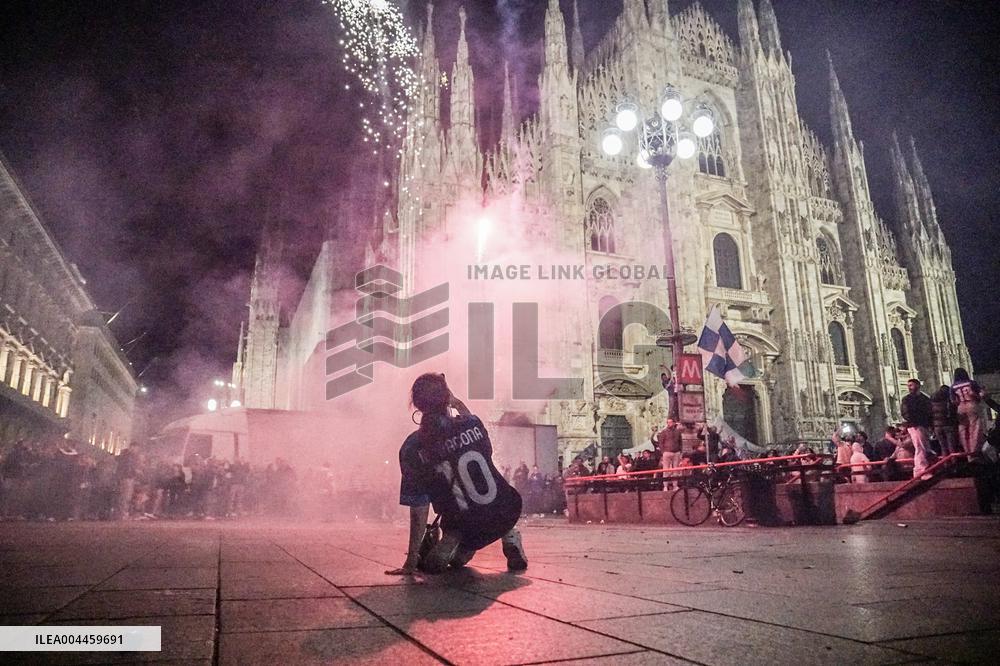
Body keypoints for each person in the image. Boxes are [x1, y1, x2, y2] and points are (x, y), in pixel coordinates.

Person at [387, 373, 527, 575]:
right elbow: (475, 432)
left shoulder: (413, 447)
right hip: (505, 510)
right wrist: (456, 402)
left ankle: (454, 543)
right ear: (447, 397)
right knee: (491, 512)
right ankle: (510, 536)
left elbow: (419, 507)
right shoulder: (472, 424)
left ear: (417, 405)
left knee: (449, 561)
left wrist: (411, 561)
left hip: (465, 524)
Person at [901, 378, 934, 477]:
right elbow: (905, 413)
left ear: (918, 385)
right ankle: (921, 470)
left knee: (925, 447)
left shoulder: (925, 399)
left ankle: (921, 469)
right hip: (914, 426)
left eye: (911, 385)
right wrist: (913, 420)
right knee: (920, 447)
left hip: (924, 425)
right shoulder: (907, 399)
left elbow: (930, 412)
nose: (909, 387)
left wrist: (930, 424)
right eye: (908, 386)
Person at [950, 368, 987, 456]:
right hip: (972, 404)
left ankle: (966, 451)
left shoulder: (953, 386)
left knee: (963, 429)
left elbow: (953, 401)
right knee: (975, 428)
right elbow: (982, 394)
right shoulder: (971, 383)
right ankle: (974, 450)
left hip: (960, 407)